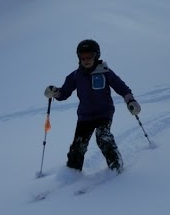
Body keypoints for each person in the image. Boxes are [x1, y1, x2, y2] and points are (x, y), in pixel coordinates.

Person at [44, 39, 141, 173]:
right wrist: (55, 93)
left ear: (96, 55)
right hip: (85, 115)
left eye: (89, 56)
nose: (86, 60)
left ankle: (116, 166)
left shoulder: (105, 72)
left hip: (104, 113)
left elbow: (122, 88)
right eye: (82, 57)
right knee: (79, 143)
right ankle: (72, 173)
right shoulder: (75, 76)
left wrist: (131, 101)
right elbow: (64, 93)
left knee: (103, 136)